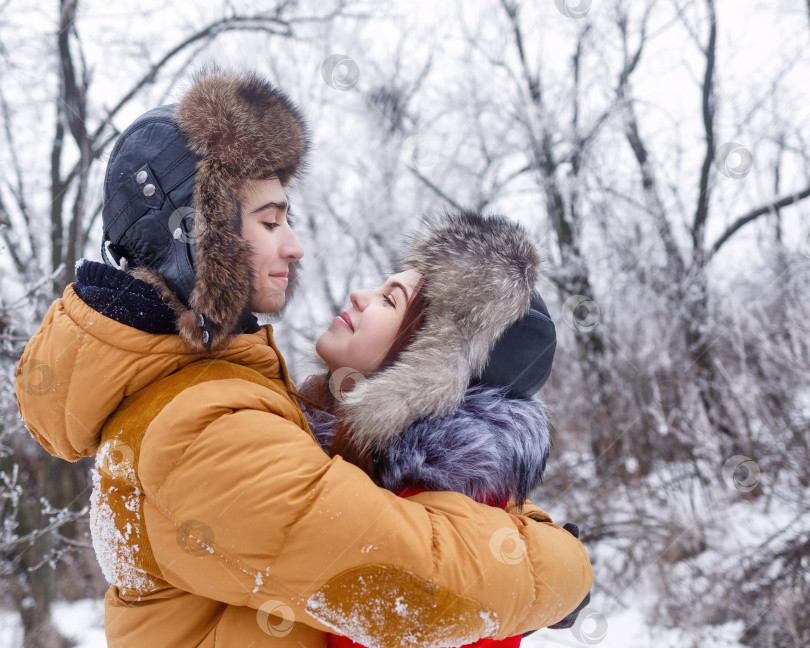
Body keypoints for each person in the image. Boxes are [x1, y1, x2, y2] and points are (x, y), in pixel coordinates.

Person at [14, 68, 592, 647]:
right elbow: (411, 584)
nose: (294, 245)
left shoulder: (228, 398)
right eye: (270, 221)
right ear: (198, 236)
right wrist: (561, 563)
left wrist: (517, 518)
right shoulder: (198, 428)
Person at [299, 209, 589, 648]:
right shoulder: (352, 458)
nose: (359, 295)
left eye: (389, 300)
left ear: (429, 364)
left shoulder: (439, 525)